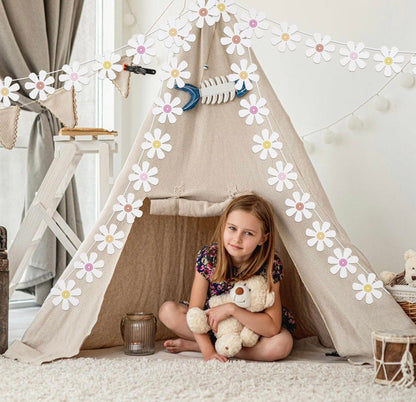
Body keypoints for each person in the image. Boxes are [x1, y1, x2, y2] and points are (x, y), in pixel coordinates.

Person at [158, 193, 295, 362]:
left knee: (282, 344)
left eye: (249, 233)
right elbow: (195, 313)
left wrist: (232, 309)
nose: (237, 239)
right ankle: (212, 345)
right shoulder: (209, 257)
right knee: (168, 311)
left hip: (250, 331)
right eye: (232, 228)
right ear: (223, 226)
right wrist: (208, 352)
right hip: (214, 324)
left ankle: (205, 347)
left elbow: (272, 327)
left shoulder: (270, 265)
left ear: (263, 239)